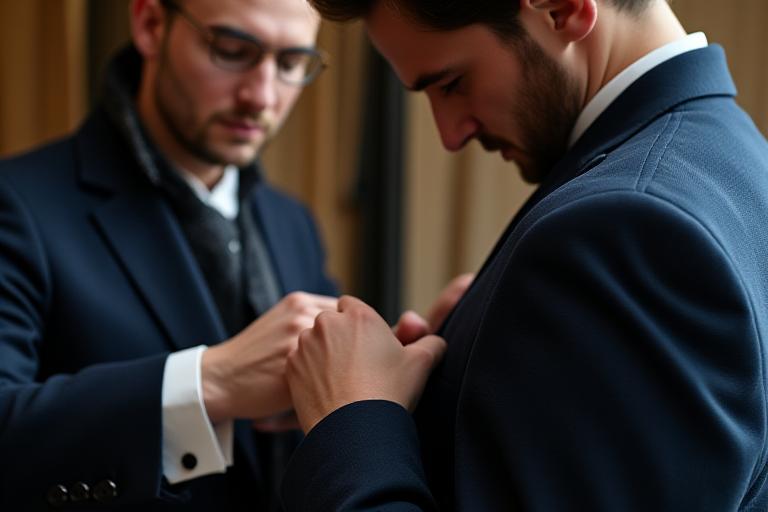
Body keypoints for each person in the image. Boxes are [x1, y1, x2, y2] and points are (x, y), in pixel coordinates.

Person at [281, 0, 768, 510]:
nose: (450, 134)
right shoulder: (731, 159)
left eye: (451, 84)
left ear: (561, 10)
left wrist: (352, 417)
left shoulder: (626, 228)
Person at [0, 0, 340, 509]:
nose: (262, 96)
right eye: (231, 51)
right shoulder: (17, 203)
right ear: (150, 24)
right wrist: (212, 380)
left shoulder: (293, 223)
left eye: (291, 63)